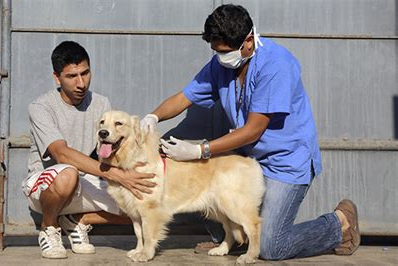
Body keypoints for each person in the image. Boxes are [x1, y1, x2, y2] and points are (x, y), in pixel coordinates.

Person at [139, 4, 360, 260]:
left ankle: (339, 224)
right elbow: (184, 97)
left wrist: (199, 150)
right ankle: (232, 238)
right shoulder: (221, 65)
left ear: (248, 41)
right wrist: (153, 116)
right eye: (215, 51)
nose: (220, 57)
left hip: (285, 161)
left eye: (224, 52)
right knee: (208, 197)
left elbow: (254, 130)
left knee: (271, 246)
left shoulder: (276, 64)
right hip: (246, 160)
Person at [21, 41, 155, 259]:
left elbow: (112, 149)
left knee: (141, 197)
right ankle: (49, 227)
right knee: (67, 173)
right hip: (47, 184)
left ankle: (77, 220)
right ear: (57, 77)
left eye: (85, 73)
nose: (81, 83)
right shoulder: (41, 107)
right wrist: (117, 175)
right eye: (72, 76)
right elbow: (61, 154)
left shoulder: (101, 103)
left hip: (85, 180)